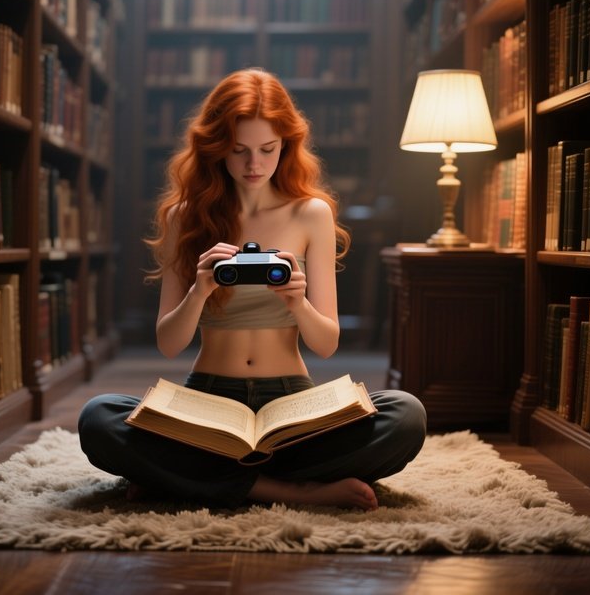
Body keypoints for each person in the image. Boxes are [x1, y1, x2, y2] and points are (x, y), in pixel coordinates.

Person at [79, 68, 426, 510]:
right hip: (207, 398)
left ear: (287, 144)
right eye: (238, 150)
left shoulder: (311, 214)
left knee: (406, 414)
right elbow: (169, 344)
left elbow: (326, 343)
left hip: (292, 404)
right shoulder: (184, 216)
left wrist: (298, 303)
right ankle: (286, 489)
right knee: (98, 417)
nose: (254, 165)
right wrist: (199, 290)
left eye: (268, 149)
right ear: (215, 147)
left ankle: (187, 479)